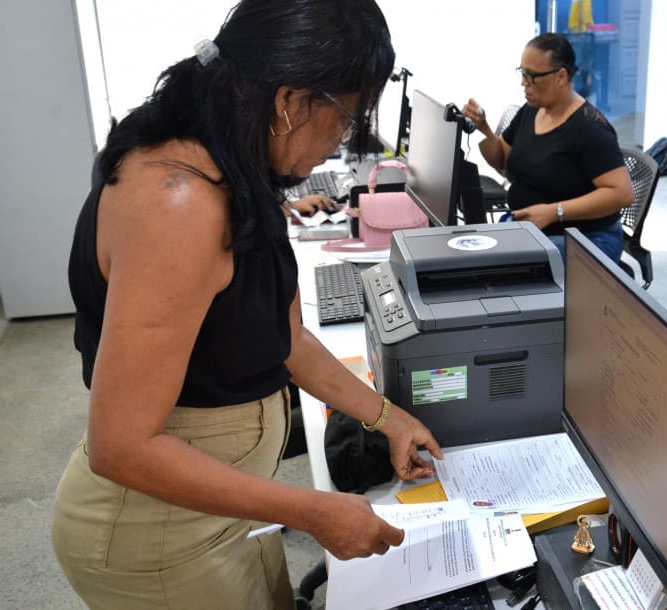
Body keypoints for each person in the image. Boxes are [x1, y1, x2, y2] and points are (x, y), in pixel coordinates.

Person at [51, 1, 443, 608]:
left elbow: (287, 341)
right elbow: (120, 445)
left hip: (225, 509)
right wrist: (314, 510)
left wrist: (385, 415)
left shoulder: (236, 168)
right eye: (345, 120)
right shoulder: (179, 202)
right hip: (159, 536)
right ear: (290, 101)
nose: (341, 141)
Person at [461, 33, 633, 262]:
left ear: (561, 76)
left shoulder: (589, 128)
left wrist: (554, 212)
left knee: (494, 266)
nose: (524, 82)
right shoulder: (533, 109)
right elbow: (502, 158)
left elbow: (622, 194)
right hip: (535, 229)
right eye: (522, 73)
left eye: (532, 76)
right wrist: (484, 129)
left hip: (588, 239)